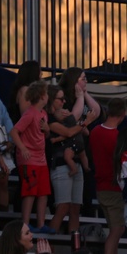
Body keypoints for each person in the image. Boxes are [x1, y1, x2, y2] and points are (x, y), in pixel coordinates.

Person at [9, 82, 51, 235]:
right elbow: (14, 132)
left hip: (41, 158)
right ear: (41, 96)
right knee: (30, 191)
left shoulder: (43, 114)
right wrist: (23, 148)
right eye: (46, 94)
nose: (48, 96)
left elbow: (44, 135)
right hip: (29, 159)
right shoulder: (30, 113)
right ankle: (25, 223)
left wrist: (47, 130)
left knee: (43, 192)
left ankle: (41, 223)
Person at [43, 86, 83, 235]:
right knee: (63, 206)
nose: (64, 102)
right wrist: (85, 122)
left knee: (75, 207)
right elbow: (68, 132)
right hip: (60, 164)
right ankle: (48, 244)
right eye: (60, 99)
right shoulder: (49, 118)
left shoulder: (65, 116)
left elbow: (81, 131)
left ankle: (75, 247)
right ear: (52, 100)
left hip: (75, 161)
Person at [88, 98, 126, 254]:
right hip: (113, 188)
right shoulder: (117, 138)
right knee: (117, 230)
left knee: (114, 228)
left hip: (101, 186)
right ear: (122, 114)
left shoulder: (95, 131)